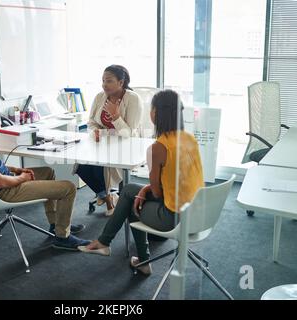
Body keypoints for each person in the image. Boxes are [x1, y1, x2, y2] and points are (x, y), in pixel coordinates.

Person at [78, 90, 204, 275]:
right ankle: (106, 243)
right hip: (199, 212)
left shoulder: (158, 147)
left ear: (155, 114)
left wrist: (146, 191)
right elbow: (179, 179)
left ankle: (137, 257)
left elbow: (158, 193)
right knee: (131, 190)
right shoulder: (189, 139)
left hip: (174, 218)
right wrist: (146, 188)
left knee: (132, 202)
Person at [0, 83, 91, 251]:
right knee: (69, 188)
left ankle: (56, 225)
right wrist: (21, 178)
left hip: (1, 183)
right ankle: (63, 237)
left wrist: (16, 170)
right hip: (5, 191)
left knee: (47, 172)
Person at [75, 65, 143, 216]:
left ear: (121, 82)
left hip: (126, 145)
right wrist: (95, 131)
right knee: (81, 166)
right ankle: (106, 197)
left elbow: (128, 133)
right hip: (103, 143)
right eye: (103, 81)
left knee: (99, 166)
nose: (104, 84)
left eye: (109, 81)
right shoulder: (100, 97)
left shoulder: (133, 99)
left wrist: (115, 116)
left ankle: (108, 199)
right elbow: (91, 122)